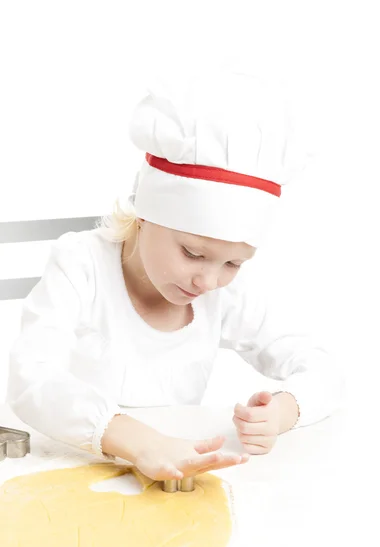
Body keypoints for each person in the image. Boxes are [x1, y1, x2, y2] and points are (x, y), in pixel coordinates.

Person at [6, 66, 344, 483]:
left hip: (173, 472)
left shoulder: (221, 292)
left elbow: (322, 367)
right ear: (146, 214)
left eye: (233, 263)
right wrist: (138, 441)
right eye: (192, 252)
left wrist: (283, 409)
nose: (208, 280)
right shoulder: (81, 265)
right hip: (67, 466)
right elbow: (32, 378)